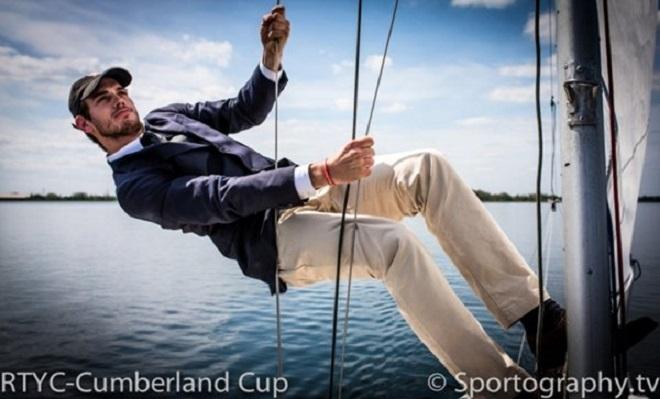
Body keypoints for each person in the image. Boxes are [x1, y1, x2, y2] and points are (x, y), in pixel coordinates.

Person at [68, 5, 566, 398]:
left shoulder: (167, 115)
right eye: (103, 99)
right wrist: (321, 172)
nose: (119, 99)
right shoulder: (134, 189)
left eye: (119, 90)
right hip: (272, 239)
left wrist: (271, 58)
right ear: (85, 124)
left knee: (425, 167)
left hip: (304, 189)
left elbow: (242, 110)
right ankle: (499, 388)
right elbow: (219, 198)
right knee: (392, 245)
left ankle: (536, 317)